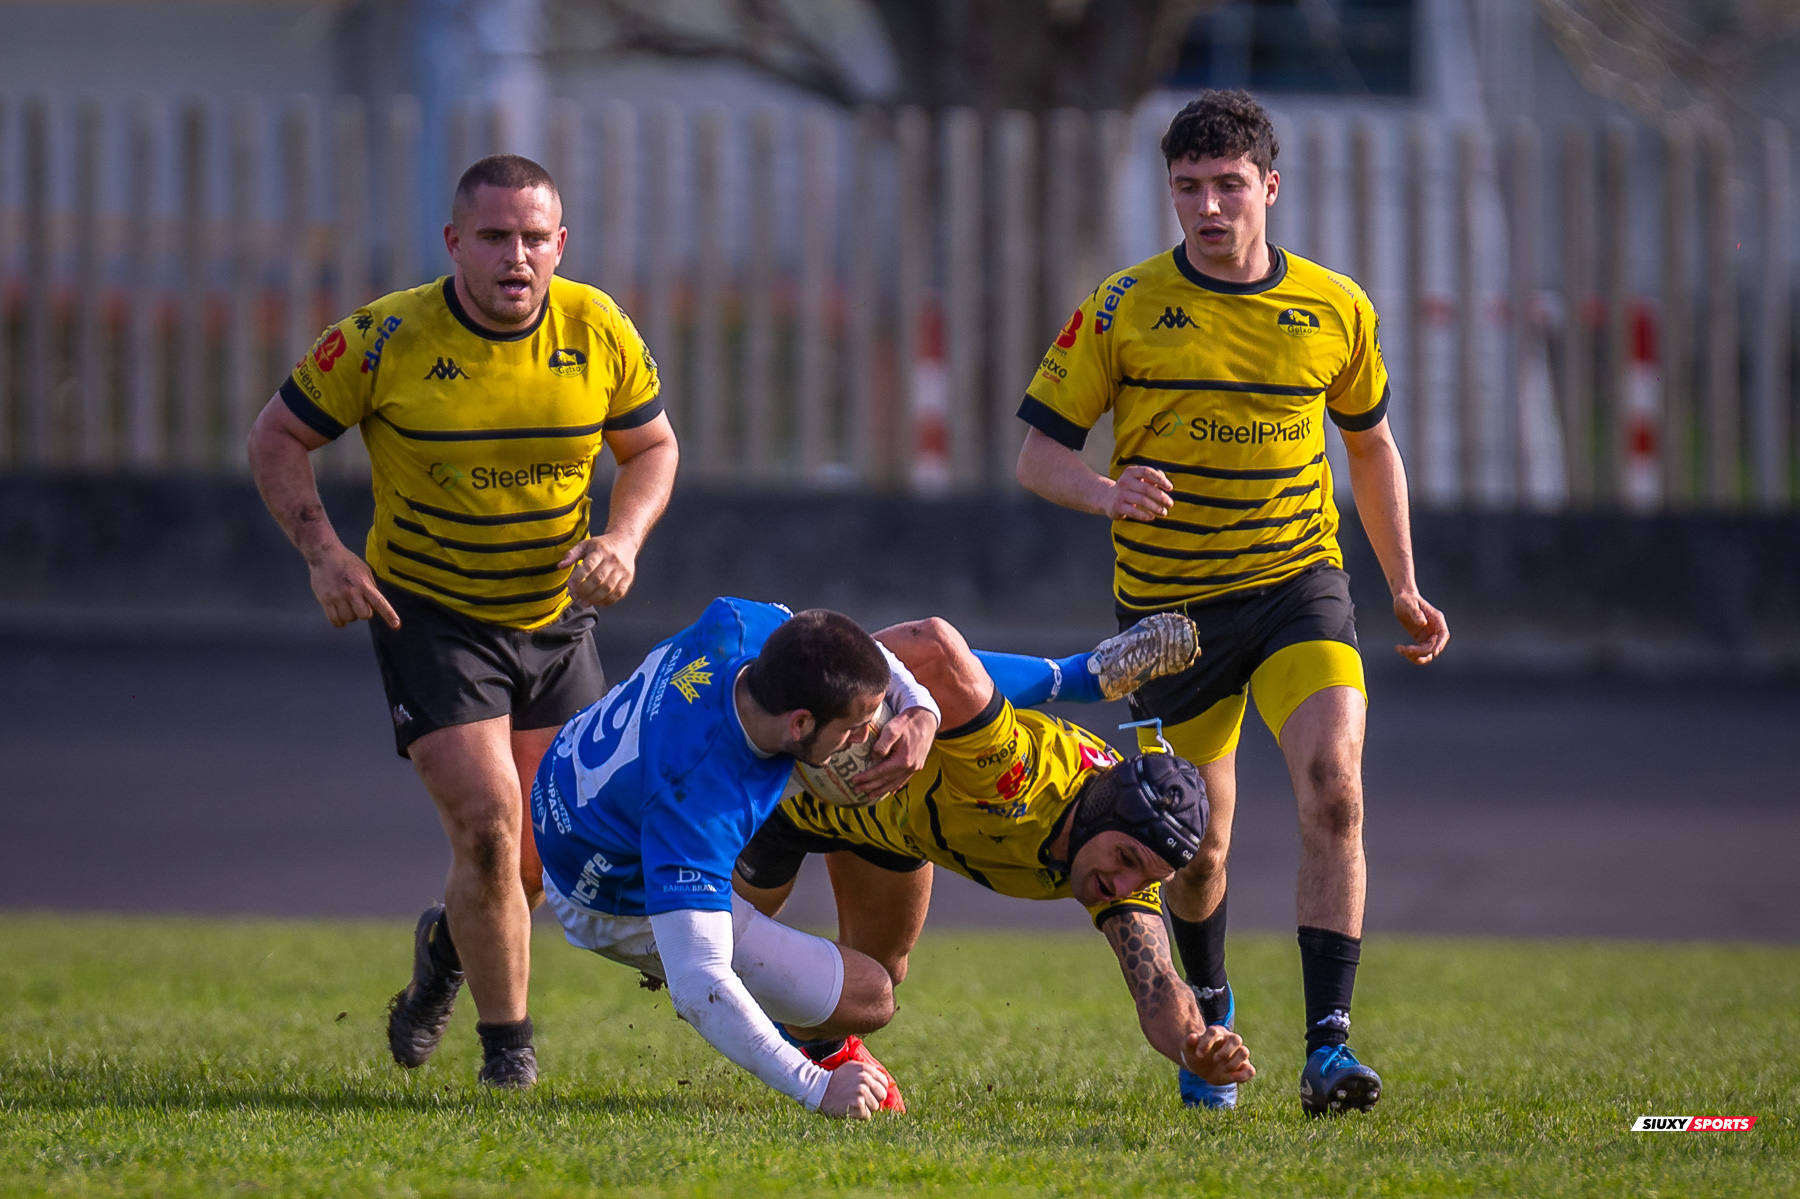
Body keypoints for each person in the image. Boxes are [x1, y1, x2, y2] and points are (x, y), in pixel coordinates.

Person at [1012, 90, 1450, 1116]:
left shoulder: (1334, 308)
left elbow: (1371, 445)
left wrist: (1403, 584)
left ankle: (1329, 1049)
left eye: (1228, 186)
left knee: (1335, 788)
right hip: (1169, 618)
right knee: (1198, 844)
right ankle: (1209, 1015)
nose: (1209, 207)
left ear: (1270, 187)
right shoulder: (1123, 306)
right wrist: (1106, 490)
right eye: (1188, 188)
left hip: (1301, 587)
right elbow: (1038, 454)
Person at [246, 154, 679, 1088]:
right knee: (486, 825)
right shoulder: (385, 336)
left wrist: (626, 535)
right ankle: (508, 1058)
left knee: (542, 859)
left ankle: (443, 949)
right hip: (432, 617)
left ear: (560, 245)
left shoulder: (597, 326)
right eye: (493, 237)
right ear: (455, 244)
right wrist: (325, 551)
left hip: (557, 620)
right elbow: (275, 436)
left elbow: (650, 446)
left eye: (533, 238)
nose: (515, 256)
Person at [733, 615, 1256, 1097]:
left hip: (887, 836)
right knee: (692, 940)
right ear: (1100, 810)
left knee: (873, 987)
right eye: (1124, 859)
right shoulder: (1015, 771)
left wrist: (1195, 1046)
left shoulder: (1126, 864)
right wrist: (915, 708)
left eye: (1146, 875)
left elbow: (1158, 984)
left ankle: (820, 1046)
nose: (1123, 885)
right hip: (792, 802)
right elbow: (932, 645)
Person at [531, 598, 944, 1117]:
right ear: (798, 724)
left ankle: (462, 933)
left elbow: (846, 644)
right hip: (608, 894)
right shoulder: (697, 800)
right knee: (870, 996)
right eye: (852, 729)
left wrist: (921, 708)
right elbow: (698, 983)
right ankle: (813, 1046)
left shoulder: (747, 623)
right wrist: (818, 1088)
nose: (867, 737)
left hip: (580, 785)